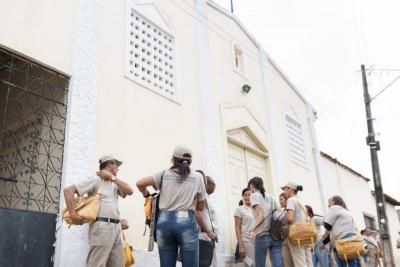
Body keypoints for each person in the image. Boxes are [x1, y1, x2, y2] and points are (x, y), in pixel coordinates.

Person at [136, 145, 206, 267]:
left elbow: (140, 183)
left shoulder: (164, 174)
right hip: (186, 221)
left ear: (173, 159)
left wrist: (146, 194)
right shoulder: (197, 177)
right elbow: (200, 207)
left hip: (164, 222)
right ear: (190, 162)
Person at [63, 155, 134, 267]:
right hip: (102, 227)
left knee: (118, 264)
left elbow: (130, 191)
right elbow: (68, 191)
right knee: (96, 264)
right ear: (109, 164)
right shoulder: (95, 180)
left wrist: (112, 177)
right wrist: (73, 214)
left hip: (116, 228)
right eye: (117, 165)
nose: (118, 168)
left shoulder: (114, 182)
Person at [248, 177, 282, 267]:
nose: (250, 190)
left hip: (262, 235)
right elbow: (280, 213)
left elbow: (261, 215)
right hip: (275, 235)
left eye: (250, 187)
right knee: (277, 264)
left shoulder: (254, 195)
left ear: (252, 186)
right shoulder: (271, 197)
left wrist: (254, 230)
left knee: (260, 264)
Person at [320, 196, 361, 267]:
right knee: (353, 263)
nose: (328, 205)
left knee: (342, 264)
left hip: (341, 241)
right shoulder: (346, 211)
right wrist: (324, 243)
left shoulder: (334, 207)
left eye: (329, 202)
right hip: (350, 238)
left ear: (334, 202)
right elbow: (336, 231)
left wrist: (324, 220)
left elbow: (327, 225)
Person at [281, 182, 312, 267]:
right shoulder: (301, 201)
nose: (284, 192)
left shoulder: (291, 200)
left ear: (290, 189)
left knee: (300, 263)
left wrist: (283, 220)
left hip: (296, 235)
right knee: (308, 262)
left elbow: (290, 219)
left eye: (285, 189)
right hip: (306, 234)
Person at [195, 171, 218, 267]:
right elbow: (197, 213)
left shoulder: (206, 198)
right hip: (203, 235)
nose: (214, 185)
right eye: (212, 183)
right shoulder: (199, 197)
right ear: (205, 183)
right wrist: (208, 232)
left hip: (209, 237)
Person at [234, 188, 256, 266]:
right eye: (245, 195)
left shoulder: (257, 208)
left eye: (249, 195)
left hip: (259, 241)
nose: (247, 197)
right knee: (252, 265)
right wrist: (241, 246)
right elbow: (237, 227)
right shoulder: (239, 209)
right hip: (247, 241)